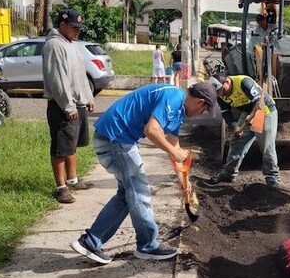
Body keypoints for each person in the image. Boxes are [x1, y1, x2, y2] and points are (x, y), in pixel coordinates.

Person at [70, 82, 218, 264]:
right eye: (204, 110)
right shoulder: (173, 98)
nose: (202, 114)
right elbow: (152, 130)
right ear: (200, 102)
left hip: (116, 139)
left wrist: (183, 180)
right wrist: (173, 152)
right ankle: (148, 245)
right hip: (116, 140)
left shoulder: (178, 109)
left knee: (128, 194)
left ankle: (91, 241)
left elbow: (174, 144)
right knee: (139, 193)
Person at [42, 8, 95, 204]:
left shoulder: (72, 44)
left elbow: (80, 74)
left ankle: (73, 180)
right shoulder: (55, 45)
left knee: (72, 145)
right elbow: (58, 80)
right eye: (74, 27)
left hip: (77, 103)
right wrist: (68, 106)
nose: (77, 31)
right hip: (62, 106)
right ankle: (61, 187)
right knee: (61, 147)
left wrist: (88, 98)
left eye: (79, 28)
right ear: (62, 25)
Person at [208, 72, 280, 188]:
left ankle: (272, 177)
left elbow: (258, 102)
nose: (222, 94)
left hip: (263, 112)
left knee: (266, 145)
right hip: (247, 113)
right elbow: (226, 112)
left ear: (227, 81)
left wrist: (252, 116)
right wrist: (235, 125)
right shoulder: (219, 94)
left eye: (222, 90)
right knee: (237, 142)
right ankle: (228, 173)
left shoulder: (244, 82)